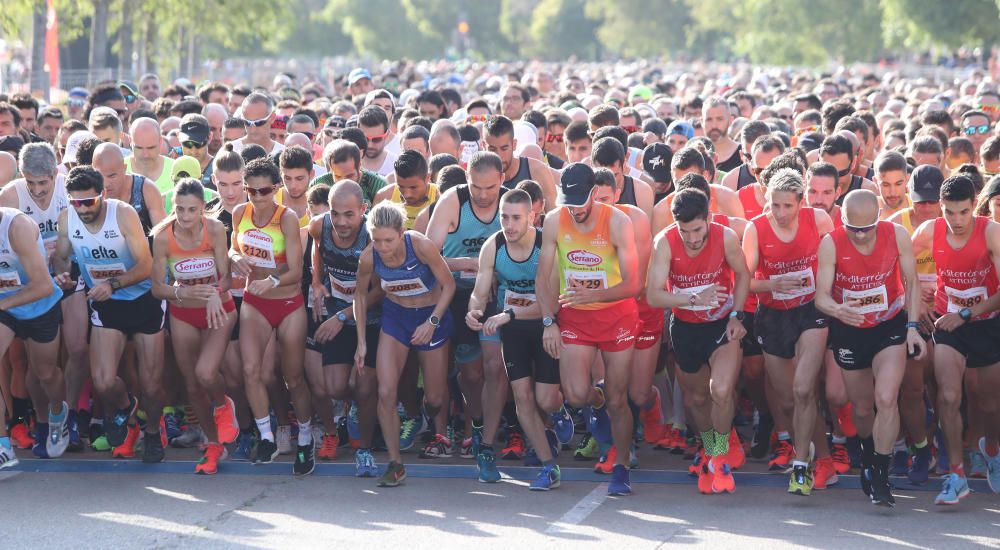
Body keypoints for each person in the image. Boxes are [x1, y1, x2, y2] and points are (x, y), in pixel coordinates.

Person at [815, 189, 926, 506]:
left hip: (889, 325)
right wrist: (838, 310)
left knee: (886, 397)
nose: (861, 236)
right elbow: (821, 295)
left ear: (879, 220)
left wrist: (913, 327)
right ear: (843, 221)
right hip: (850, 329)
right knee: (862, 408)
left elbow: (912, 282)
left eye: (867, 229)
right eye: (854, 229)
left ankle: (879, 471)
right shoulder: (831, 242)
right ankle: (867, 451)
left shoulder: (897, 234)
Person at [536, 163, 641, 496]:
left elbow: (634, 284)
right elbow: (543, 276)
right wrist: (549, 320)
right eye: (570, 202)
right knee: (578, 394)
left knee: (618, 398)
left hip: (617, 317)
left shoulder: (618, 223)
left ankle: (621, 466)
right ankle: (595, 403)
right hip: (576, 316)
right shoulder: (555, 220)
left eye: (581, 202)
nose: (576, 210)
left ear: (595, 193)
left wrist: (593, 294)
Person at [53, 166, 167, 463]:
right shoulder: (67, 219)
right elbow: (62, 258)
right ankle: (127, 405)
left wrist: (112, 283)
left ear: (102, 195)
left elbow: (146, 265)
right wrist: (62, 276)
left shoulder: (123, 214)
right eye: (76, 203)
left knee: (152, 384)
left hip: (143, 300)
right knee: (103, 381)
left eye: (89, 202)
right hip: (107, 304)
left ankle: (153, 434)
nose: (83, 209)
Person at [646, 187, 749, 494]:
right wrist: (693, 297)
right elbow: (653, 294)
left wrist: (737, 315)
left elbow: (743, 274)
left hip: (721, 325)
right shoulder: (664, 242)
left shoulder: (725, 236)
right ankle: (711, 446)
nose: (691, 238)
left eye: (697, 229)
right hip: (686, 328)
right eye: (685, 231)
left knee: (720, 389)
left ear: (708, 219)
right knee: (697, 400)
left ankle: (719, 457)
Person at [742, 168, 835, 496]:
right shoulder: (756, 229)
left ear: (801, 202)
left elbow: (835, 267)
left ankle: (803, 464)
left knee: (803, 388)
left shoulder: (819, 222)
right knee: (789, 400)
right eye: (775, 206)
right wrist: (772, 283)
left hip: (811, 311)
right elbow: (744, 282)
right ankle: (819, 455)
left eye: (788, 206)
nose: (781, 214)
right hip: (773, 314)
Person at [466, 189, 565, 489]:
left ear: (532, 218)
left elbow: (554, 302)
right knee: (521, 396)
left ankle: (562, 410)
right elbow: (480, 291)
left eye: (516, 218)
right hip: (514, 329)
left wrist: (508, 314)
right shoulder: (493, 246)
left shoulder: (546, 244)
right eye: (504, 218)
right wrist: (474, 311)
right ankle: (550, 467)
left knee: (546, 399)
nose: (508, 225)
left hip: (546, 325)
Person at [910, 175, 1000, 506]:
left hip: (986, 323)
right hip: (948, 324)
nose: (957, 221)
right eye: (949, 212)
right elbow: (900, 263)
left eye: (963, 212)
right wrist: (919, 300)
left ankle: (991, 449)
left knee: (990, 404)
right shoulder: (929, 231)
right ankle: (957, 475)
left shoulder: (991, 232)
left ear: (974, 206)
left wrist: (966, 314)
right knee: (948, 397)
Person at [353, 202, 456, 487]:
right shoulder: (368, 258)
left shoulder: (420, 246)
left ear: (401, 233)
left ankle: (426, 417)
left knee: (435, 399)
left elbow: (449, 286)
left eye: (388, 240)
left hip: (430, 316)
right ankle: (395, 463)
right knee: (386, 392)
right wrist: (361, 342)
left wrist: (432, 322)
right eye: (376, 240)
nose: (382, 247)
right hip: (396, 318)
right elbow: (359, 296)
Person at [229, 158, 315, 475]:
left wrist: (274, 281)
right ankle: (266, 436)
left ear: (275, 189)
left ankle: (305, 437)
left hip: (287, 302)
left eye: (263, 190)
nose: (256, 197)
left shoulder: (287, 218)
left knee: (293, 376)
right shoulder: (240, 213)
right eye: (250, 190)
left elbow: (296, 273)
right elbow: (231, 249)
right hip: (255, 300)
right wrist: (235, 256)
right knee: (250, 370)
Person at [150, 179, 240, 474]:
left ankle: (223, 403)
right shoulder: (163, 237)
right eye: (179, 209)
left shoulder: (215, 230)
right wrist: (182, 293)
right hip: (183, 313)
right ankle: (213, 444)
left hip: (218, 310)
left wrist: (215, 293)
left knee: (205, 373)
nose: (185, 216)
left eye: (191, 210)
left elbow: (226, 278)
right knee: (191, 384)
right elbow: (157, 288)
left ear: (203, 208)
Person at [427, 152, 509, 462]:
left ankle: (476, 425)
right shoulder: (453, 200)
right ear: (466, 178)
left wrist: (489, 275)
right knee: (441, 369)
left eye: (490, 188)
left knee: (477, 373)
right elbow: (428, 255)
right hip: (454, 290)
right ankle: (441, 429)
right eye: (476, 187)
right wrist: (468, 263)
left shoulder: (511, 203)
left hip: (493, 292)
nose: (484, 195)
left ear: (502, 180)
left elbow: (526, 255)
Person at [307, 180, 380, 477]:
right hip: (337, 310)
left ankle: (364, 447)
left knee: (363, 387)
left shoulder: (373, 237)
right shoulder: (318, 225)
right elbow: (317, 248)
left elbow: (380, 291)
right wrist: (317, 281)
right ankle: (349, 415)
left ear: (363, 210)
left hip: (371, 317)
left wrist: (344, 317)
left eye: (349, 215)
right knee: (336, 387)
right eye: (336, 214)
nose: (341, 222)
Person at [886, 165, 943, 484]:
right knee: (910, 386)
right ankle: (912, 446)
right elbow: (886, 273)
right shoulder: (897, 226)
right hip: (910, 313)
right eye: (920, 200)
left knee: (949, 388)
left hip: (948, 312)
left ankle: (940, 441)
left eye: (932, 201)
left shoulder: (957, 224)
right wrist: (917, 301)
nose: (925, 207)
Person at [372, 150, 439, 229]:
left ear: (427, 178)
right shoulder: (384, 197)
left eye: (413, 187)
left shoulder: (440, 197)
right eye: (401, 186)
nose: (407, 194)